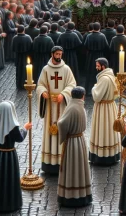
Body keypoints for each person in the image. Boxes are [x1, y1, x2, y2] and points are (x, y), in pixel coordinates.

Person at [36, 46, 77, 174]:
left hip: (62, 105)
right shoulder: (46, 70)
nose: (59, 56)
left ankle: (62, 160)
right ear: (52, 54)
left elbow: (72, 85)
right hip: (49, 106)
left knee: (62, 130)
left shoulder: (66, 69)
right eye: (57, 54)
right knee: (50, 132)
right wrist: (42, 92)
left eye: (60, 54)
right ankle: (49, 163)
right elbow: (40, 85)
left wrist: (63, 94)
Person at [0, 101, 29, 213]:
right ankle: (11, 203)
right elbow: (19, 138)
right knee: (10, 179)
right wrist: (25, 128)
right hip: (10, 156)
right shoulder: (14, 127)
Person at [57, 86, 92, 207]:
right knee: (80, 168)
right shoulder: (79, 106)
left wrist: (63, 134)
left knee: (71, 167)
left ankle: (70, 195)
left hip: (71, 142)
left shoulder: (71, 106)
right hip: (80, 140)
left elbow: (61, 123)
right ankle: (82, 194)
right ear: (82, 96)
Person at [89, 58, 120, 165]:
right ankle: (112, 154)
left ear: (103, 66)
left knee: (102, 129)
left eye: (98, 66)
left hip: (102, 108)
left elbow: (97, 97)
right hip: (110, 106)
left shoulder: (104, 79)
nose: (96, 68)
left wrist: (94, 87)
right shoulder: (112, 76)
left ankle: (102, 156)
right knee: (109, 131)